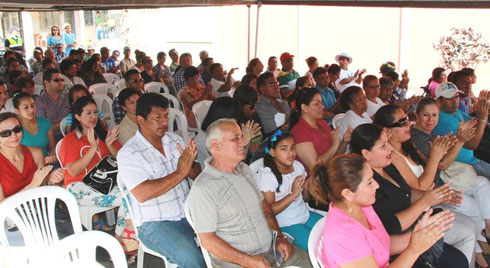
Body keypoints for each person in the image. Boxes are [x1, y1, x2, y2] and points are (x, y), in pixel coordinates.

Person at [187, 118, 312, 268]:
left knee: (314, 262)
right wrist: (248, 261)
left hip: (272, 250)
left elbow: (265, 207)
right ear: (216, 146)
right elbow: (207, 240)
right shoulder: (204, 188)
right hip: (240, 262)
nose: (244, 143)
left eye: (241, 137)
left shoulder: (244, 170)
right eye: (236, 138)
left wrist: (278, 236)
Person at [351, 124, 473, 267]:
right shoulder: (368, 186)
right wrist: (424, 202)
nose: (390, 148)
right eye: (383, 146)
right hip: (401, 246)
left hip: (416, 225)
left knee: (460, 258)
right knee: (459, 259)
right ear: (366, 154)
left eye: (388, 143)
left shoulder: (388, 166)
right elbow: (391, 228)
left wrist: (436, 195)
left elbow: (407, 193)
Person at [308, 153, 455, 268]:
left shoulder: (362, 206)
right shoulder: (344, 233)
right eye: (369, 182)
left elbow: (383, 245)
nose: (377, 185)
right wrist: (414, 249)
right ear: (347, 194)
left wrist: (419, 235)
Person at [117, 93, 206, 267]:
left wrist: (190, 168)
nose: (165, 122)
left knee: (227, 237)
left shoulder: (175, 140)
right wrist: (180, 172)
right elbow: (143, 194)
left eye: (166, 116)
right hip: (156, 222)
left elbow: (195, 173)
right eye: (157, 118)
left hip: (188, 213)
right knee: (193, 260)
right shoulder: (129, 153)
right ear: (141, 120)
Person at [411, 97, 490, 267]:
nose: (431, 120)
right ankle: (481, 254)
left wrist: (454, 142)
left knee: (483, 184)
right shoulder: (417, 137)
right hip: (433, 189)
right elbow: (443, 164)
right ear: (416, 115)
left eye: (434, 115)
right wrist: (459, 141)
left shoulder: (429, 133)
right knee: (472, 213)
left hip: (441, 183)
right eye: (426, 115)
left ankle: (485, 237)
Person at [59, 96, 131, 236]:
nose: (93, 116)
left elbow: (123, 159)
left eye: (95, 112)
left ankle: (123, 236)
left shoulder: (102, 133)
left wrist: (110, 146)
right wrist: (93, 148)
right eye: (88, 113)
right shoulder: (70, 140)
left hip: (103, 181)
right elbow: (73, 171)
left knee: (133, 192)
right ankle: (122, 238)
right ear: (78, 117)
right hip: (78, 185)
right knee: (127, 198)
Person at [256, 130, 322, 250]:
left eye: (292, 148)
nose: (290, 153)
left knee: (334, 231)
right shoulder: (267, 176)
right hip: (286, 223)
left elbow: (305, 198)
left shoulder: (297, 166)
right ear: (272, 152)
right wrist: (292, 195)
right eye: (284, 149)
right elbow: (269, 211)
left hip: (304, 214)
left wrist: (307, 186)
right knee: (317, 247)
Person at [0, 112, 64, 202]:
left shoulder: (36, 153)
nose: (14, 135)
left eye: (17, 129)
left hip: (40, 206)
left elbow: (43, 185)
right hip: (12, 214)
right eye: (5, 133)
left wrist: (52, 179)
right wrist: (31, 186)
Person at [433, 82, 490, 179]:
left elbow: (477, 124)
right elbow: (472, 144)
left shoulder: (456, 112)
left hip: (473, 161)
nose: (455, 101)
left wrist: (481, 110)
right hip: (463, 167)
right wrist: (483, 117)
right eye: (449, 98)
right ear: (439, 101)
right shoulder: (441, 119)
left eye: (456, 97)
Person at [291, 87, 349, 173]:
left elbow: (335, 154)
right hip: (318, 180)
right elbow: (314, 166)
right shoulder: (299, 132)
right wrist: (334, 145)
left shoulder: (321, 123)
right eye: (317, 104)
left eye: (321, 103)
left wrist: (344, 141)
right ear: (304, 107)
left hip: (333, 170)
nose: (322, 106)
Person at [13, 92, 57, 165]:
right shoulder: (15, 129)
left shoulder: (45, 123)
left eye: (32, 106)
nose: (31, 110)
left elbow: (52, 147)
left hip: (47, 163)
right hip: (26, 165)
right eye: (26, 108)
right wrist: (41, 161)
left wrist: (52, 156)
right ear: (17, 111)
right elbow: (16, 156)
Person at [35, 68, 71, 139]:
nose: (61, 82)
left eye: (62, 80)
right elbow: (43, 128)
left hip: (69, 134)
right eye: (56, 80)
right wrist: (65, 122)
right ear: (46, 83)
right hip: (51, 138)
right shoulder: (39, 102)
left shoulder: (68, 97)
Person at [233, 84, 264, 162]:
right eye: (252, 105)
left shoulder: (254, 116)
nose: (255, 107)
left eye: (256, 104)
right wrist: (248, 149)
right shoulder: (234, 123)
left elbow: (263, 137)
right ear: (241, 105)